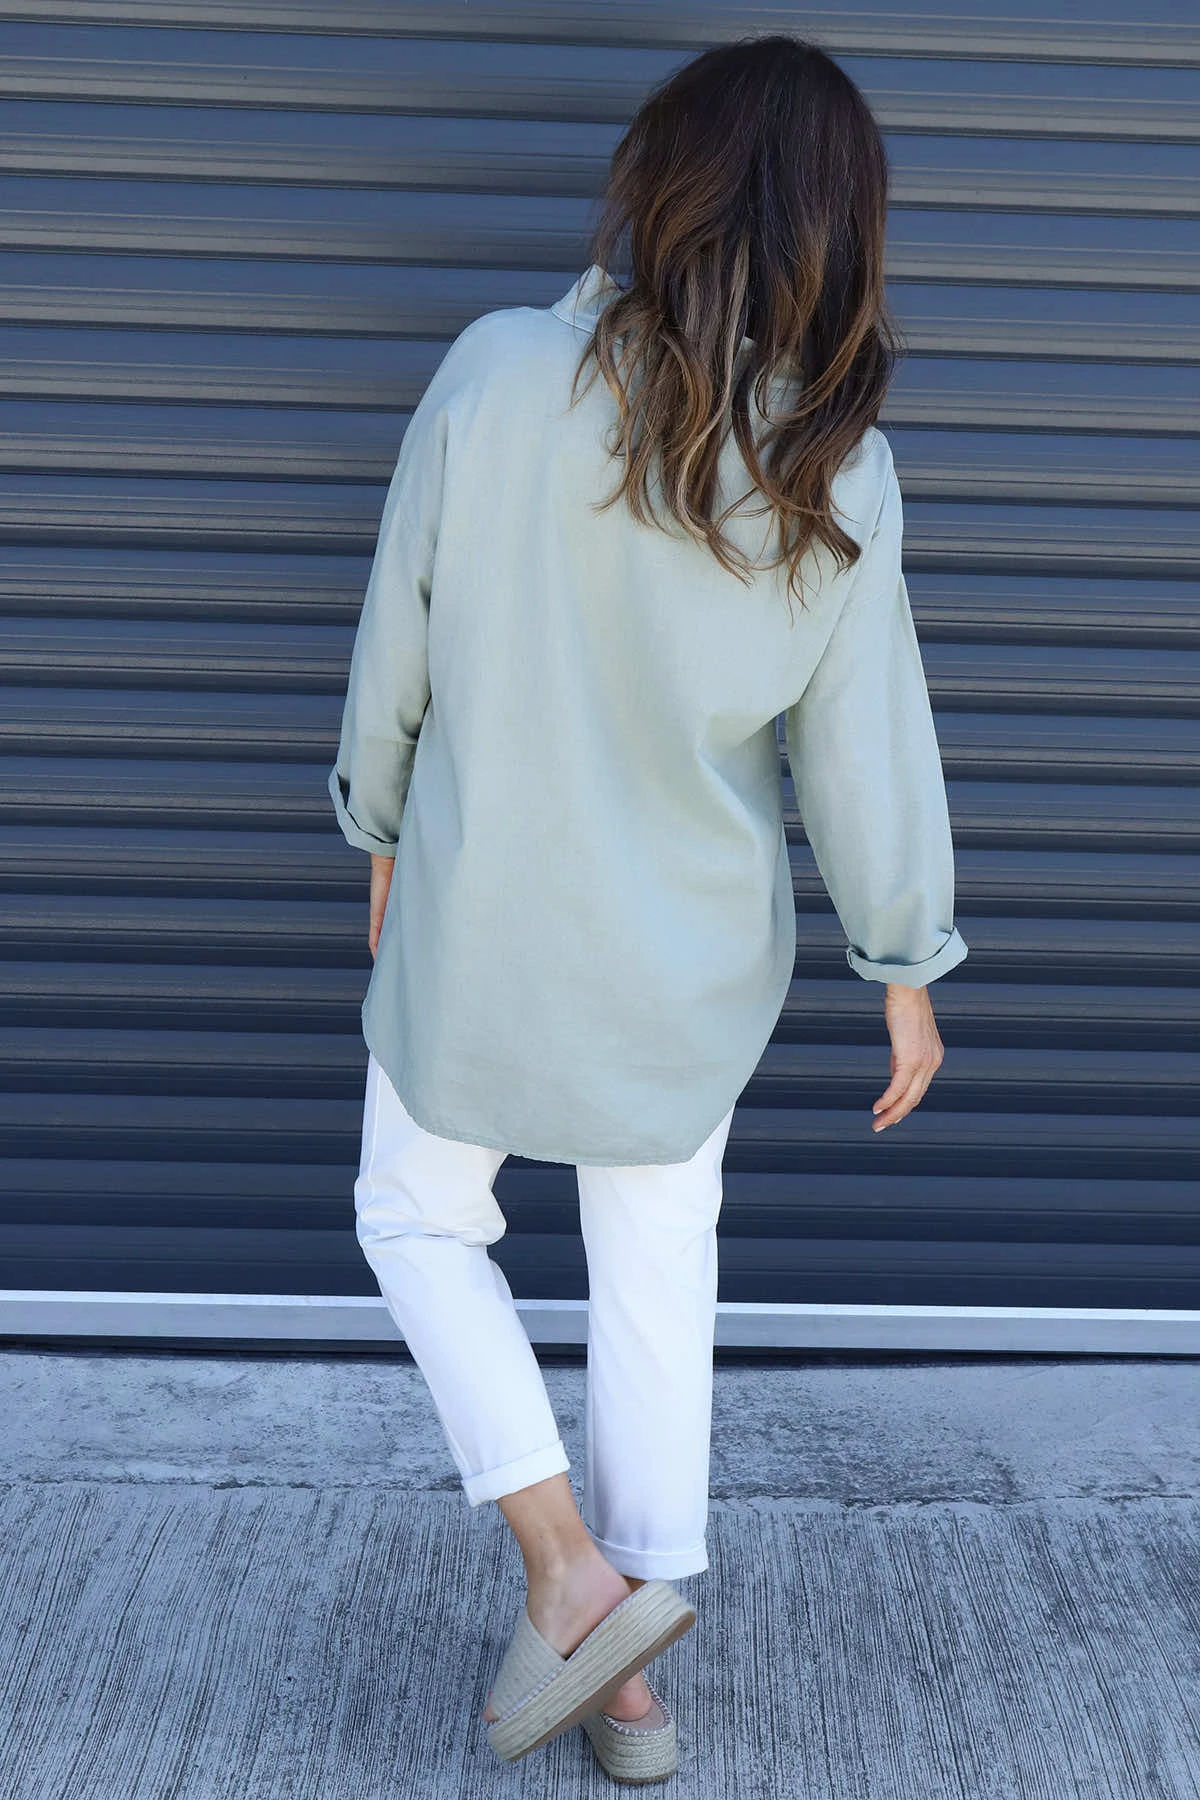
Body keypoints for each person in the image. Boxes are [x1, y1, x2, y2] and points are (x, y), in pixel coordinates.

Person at [327, 31, 968, 1780]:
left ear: (663, 182)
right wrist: (903, 964)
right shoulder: (836, 470)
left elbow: (399, 634)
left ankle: (566, 1571)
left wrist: (377, 824)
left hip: (484, 914)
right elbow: (867, 747)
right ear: (839, 230)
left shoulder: (497, 375)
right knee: (655, 1279)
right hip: (688, 962)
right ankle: (630, 1683)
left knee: (412, 1213)